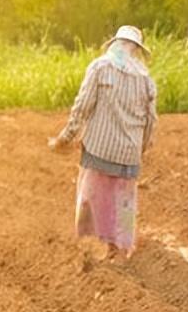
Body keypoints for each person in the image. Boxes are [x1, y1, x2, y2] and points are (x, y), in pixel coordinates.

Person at [49, 25, 157, 259]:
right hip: (129, 153)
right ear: (136, 50)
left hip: (99, 148)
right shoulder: (146, 79)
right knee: (125, 200)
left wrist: (66, 137)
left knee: (91, 197)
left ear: (115, 45)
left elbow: (82, 107)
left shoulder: (99, 67)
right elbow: (151, 121)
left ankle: (89, 246)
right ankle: (121, 247)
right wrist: (141, 150)